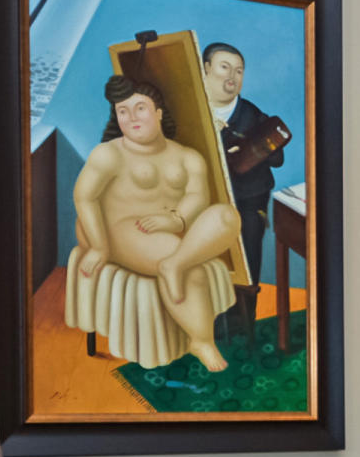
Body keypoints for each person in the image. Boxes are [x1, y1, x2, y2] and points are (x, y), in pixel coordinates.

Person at [73, 75, 242, 373]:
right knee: (189, 269)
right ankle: (201, 340)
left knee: (227, 217)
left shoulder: (188, 157)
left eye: (140, 108)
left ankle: (174, 264)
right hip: (119, 229)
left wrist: (174, 219)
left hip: (170, 227)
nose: (131, 117)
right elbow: (84, 197)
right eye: (123, 111)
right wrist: (98, 246)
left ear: (159, 113)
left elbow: (197, 197)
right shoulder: (108, 154)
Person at [200, 43, 291, 305]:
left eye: (239, 71)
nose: (232, 76)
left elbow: (278, 159)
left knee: (245, 273)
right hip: (202, 204)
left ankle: (244, 321)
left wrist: (253, 149)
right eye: (224, 67)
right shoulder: (193, 112)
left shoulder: (254, 116)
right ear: (206, 69)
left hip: (247, 206)